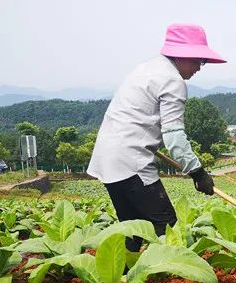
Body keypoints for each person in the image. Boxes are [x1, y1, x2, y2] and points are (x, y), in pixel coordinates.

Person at [87, 23, 226, 251]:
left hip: (107, 158)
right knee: (167, 229)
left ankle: (120, 282)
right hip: (131, 163)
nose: (199, 68)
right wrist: (198, 173)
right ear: (182, 55)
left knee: (132, 230)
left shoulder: (145, 69)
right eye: (198, 61)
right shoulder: (173, 81)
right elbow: (174, 138)